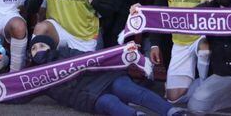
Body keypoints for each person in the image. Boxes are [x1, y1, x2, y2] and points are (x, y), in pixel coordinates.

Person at [13, 34, 183, 116]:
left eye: (41, 46)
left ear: (51, 47)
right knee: (110, 103)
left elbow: (93, 59)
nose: (38, 51)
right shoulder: (36, 77)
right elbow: (20, 94)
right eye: (33, 49)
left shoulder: (66, 52)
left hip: (103, 79)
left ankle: (172, 112)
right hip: (87, 96)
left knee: (130, 90)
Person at [132, 0, 214, 103]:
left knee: (204, 47)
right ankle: (201, 91)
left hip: (204, 38)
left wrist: (215, 1)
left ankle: (205, 84)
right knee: (172, 99)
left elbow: (228, 9)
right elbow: (158, 14)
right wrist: (154, 44)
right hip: (180, 42)